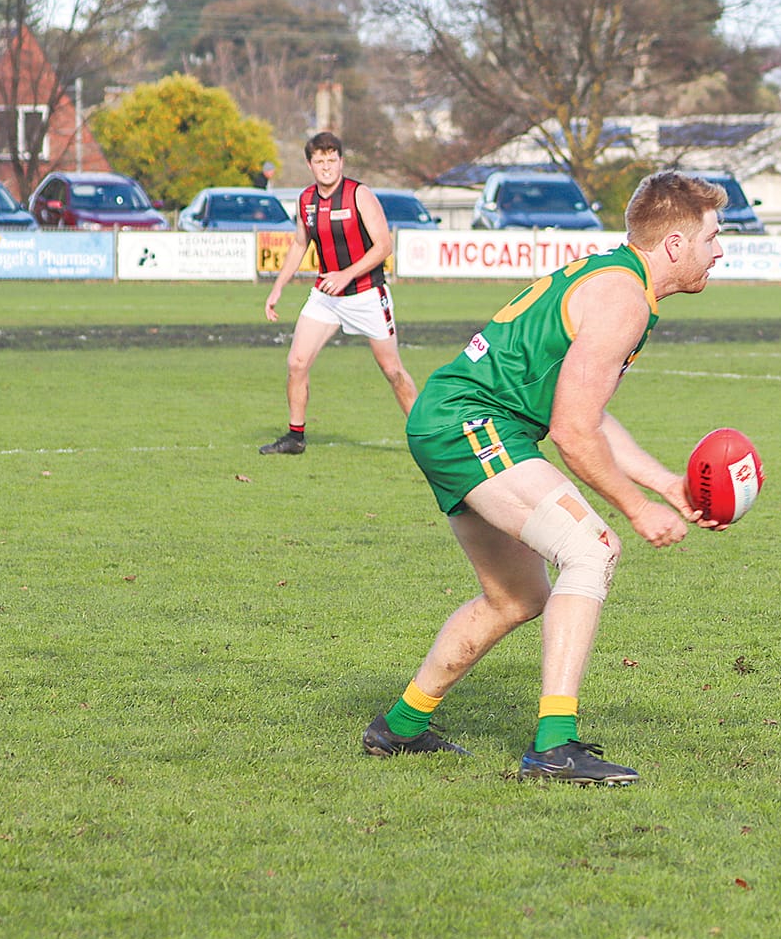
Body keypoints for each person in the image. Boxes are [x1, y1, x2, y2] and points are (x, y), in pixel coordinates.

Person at [361, 171, 728, 784]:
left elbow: (592, 413)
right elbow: (572, 430)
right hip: (471, 423)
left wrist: (666, 484)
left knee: (517, 597)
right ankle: (554, 744)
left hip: (458, 420)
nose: (720, 250)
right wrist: (637, 513)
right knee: (593, 549)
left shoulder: (617, 278)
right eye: (713, 236)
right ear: (674, 245)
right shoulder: (624, 299)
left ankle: (399, 724)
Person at [259, 132, 417, 455]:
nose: (327, 167)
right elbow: (300, 244)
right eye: (320, 161)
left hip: (366, 293)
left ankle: (425, 437)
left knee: (393, 371)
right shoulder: (305, 201)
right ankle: (295, 437)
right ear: (310, 164)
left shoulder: (359, 195)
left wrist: (346, 274)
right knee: (297, 362)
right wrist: (278, 287)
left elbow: (383, 245)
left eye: (332, 160)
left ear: (341, 162)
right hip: (326, 295)